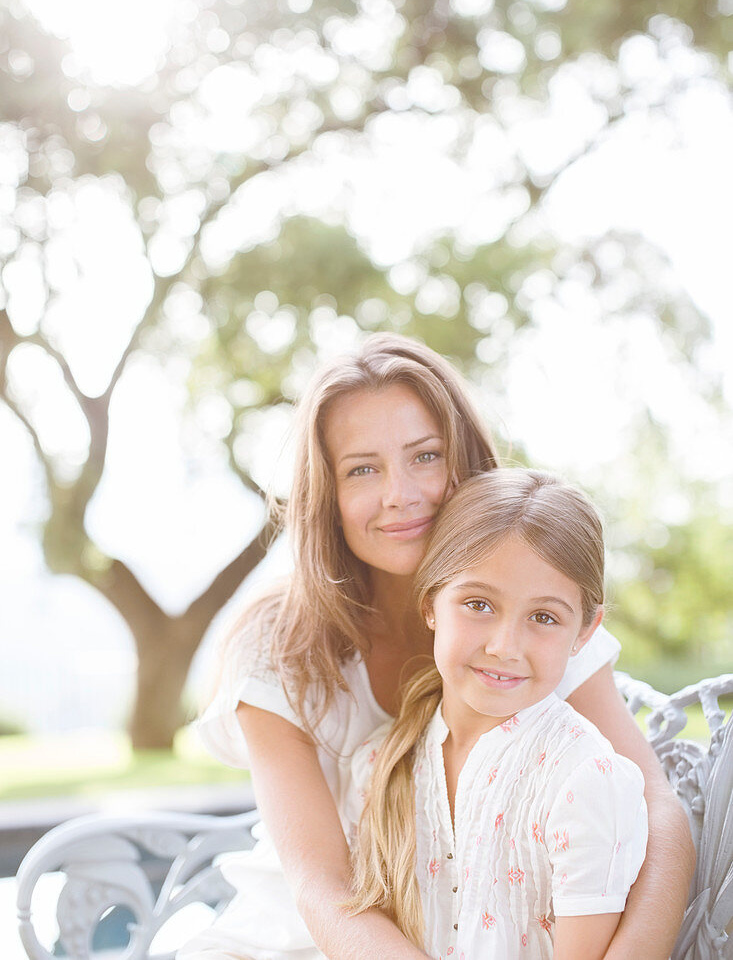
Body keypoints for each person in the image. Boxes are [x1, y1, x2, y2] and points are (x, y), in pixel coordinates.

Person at [178, 333, 693, 960]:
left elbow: (656, 808)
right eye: (362, 469)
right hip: (301, 937)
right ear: (327, 496)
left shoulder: (534, 614)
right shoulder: (279, 645)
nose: (401, 494)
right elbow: (322, 885)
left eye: (425, 456)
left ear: (464, 461)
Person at [348, 469, 648, 960]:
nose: (504, 646)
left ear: (585, 633)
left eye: (544, 617)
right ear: (430, 605)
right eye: (478, 604)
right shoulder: (378, 762)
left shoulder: (585, 781)